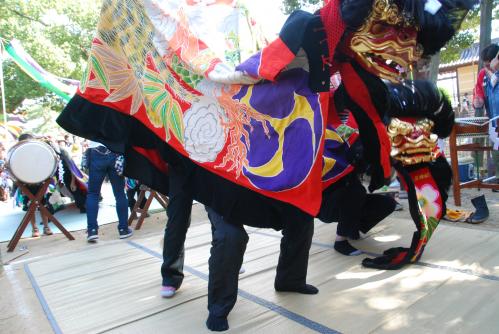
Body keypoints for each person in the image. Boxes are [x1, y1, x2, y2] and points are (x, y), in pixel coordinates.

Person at [85, 140, 132, 242]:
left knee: (93, 194)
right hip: (114, 151)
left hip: (96, 151)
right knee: (119, 193)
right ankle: (123, 229)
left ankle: (92, 230)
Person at [473, 43, 499, 190]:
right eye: (486, 65)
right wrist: (478, 101)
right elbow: (479, 93)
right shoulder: (482, 74)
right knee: (496, 148)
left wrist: (492, 72)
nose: (487, 67)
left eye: (490, 64)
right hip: (494, 121)